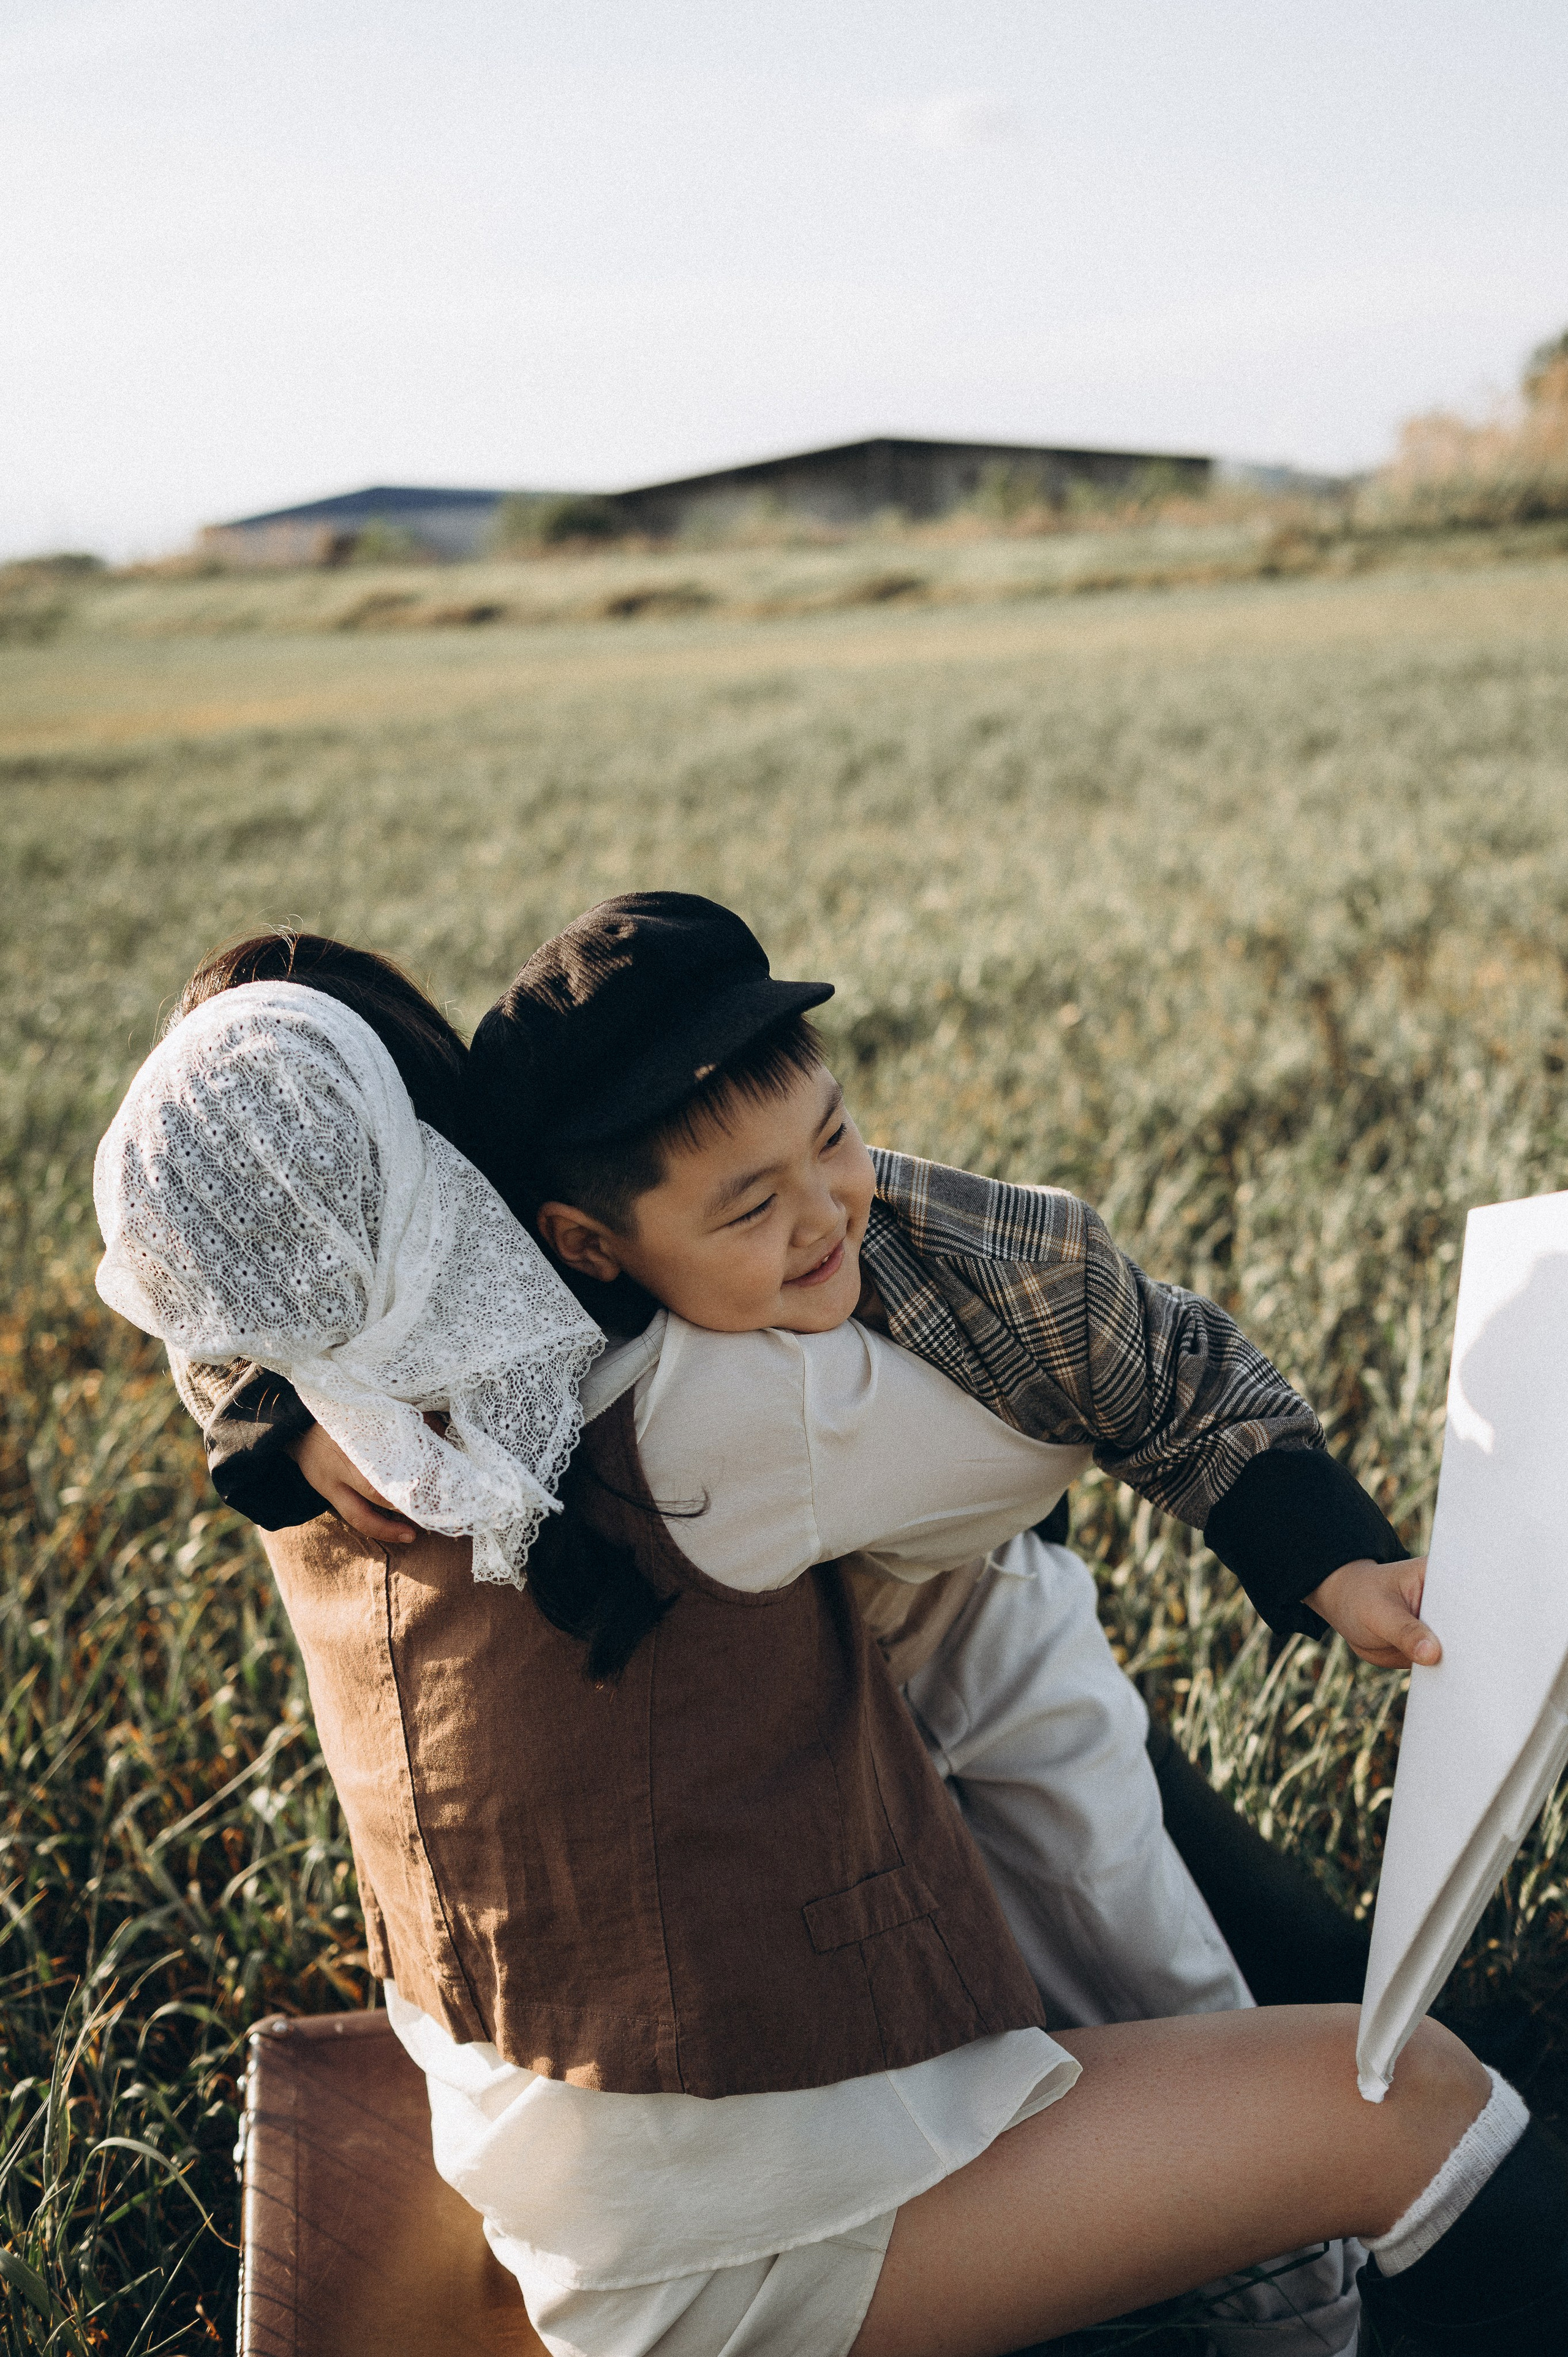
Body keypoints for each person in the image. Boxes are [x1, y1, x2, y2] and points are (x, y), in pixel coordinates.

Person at [92, 966, 1568, 2357]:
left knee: (962, 1628)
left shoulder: (299, 1454)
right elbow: (1042, 1428)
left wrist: (268, 1405)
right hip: (758, 2241)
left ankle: (1285, 2002)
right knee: (1403, 2096)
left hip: (560, 2174)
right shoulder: (688, 1408)